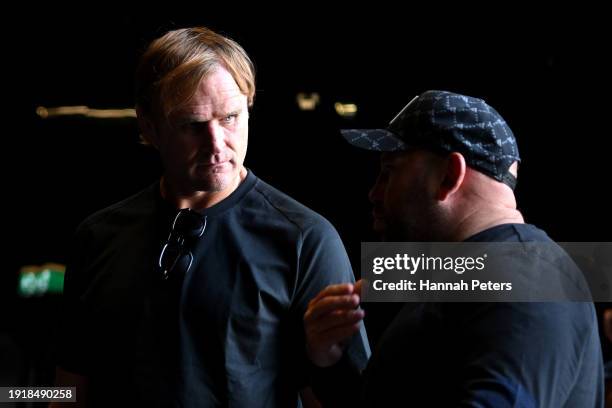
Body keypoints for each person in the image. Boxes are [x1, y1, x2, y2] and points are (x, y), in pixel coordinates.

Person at [52, 26, 369, 407]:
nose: (217, 144)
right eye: (192, 125)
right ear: (149, 126)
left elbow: (340, 399)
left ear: (249, 106)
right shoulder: (97, 237)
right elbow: (69, 389)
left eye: (231, 117)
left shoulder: (307, 240)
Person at [304, 90, 604, 406]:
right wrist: (329, 361)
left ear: (449, 175)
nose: (374, 193)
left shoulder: (526, 282)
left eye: (390, 172)